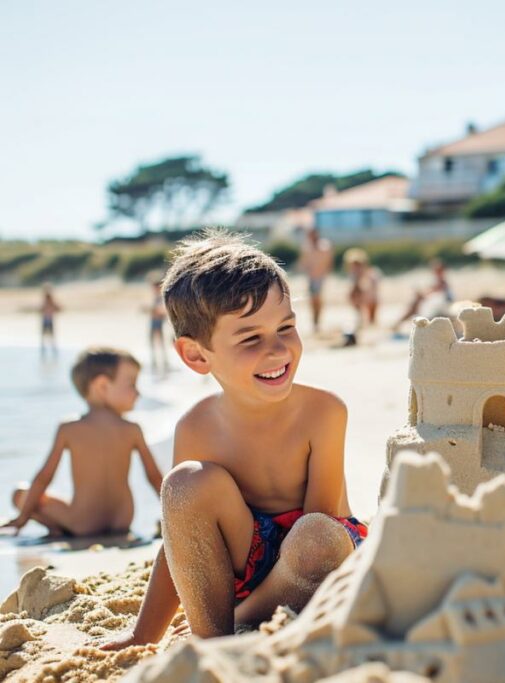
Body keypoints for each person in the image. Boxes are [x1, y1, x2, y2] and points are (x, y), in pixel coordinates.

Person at [102, 231, 365, 648]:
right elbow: (182, 537)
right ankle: (214, 641)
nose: (277, 350)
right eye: (249, 338)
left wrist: (247, 608)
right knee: (185, 483)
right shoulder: (196, 427)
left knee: (314, 536)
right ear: (196, 356)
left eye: (286, 327)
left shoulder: (324, 412)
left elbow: (322, 524)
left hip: (314, 560)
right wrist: (143, 634)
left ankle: (242, 619)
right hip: (247, 562)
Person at [1, 348, 162, 537]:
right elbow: (155, 478)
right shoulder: (132, 429)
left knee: (19, 494)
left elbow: (44, 477)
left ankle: (55, 529)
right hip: (122, 520)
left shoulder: (69, 428)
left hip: (83, 523)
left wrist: (22, 519)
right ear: (102, 386)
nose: (138, 393)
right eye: (132, 384)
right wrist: (173, 517)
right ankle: (58, 528)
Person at [392, 258, 454, 332]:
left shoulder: (441, 282)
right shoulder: (440, 281)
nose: (435, 271)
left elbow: (430, 293)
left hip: (440, 304)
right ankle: (399, 322)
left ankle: (399, 323)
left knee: (415, 302)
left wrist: (420, 294)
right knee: (416, 302)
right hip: (437, 302)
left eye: (437, 269)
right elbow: (430, 292)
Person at [298, 228, 334, 334]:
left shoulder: (324, 246)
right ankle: (315, 322)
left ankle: (317, 321)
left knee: (317, 299)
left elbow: (329, 262)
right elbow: (304, 262)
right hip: (311, 277)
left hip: (320, 277)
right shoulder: (306, 247)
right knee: (313, 300)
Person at [342, 247, 380, 346]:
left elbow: (370, 291)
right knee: (361, 320)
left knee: (368, 321)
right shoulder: (356, 275)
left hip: (369, 300)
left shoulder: (370, 275)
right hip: (363, 300)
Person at [148, 278, 170, 373]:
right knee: (153, 342)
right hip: (154, 322)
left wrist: (151, 310)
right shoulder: (156, 297)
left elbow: (161, 311)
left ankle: (164, 361)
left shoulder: (161, 298)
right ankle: (156, 361)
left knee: (160, 342)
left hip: (158, 322)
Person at [40, 284, 61, 356]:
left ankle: (51, 348)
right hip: (46, 320)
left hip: (48, 320)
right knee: (45, 335)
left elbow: (58, 308)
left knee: (50, 335)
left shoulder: (50, 302)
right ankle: (46, 349)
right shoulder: (46, 301)